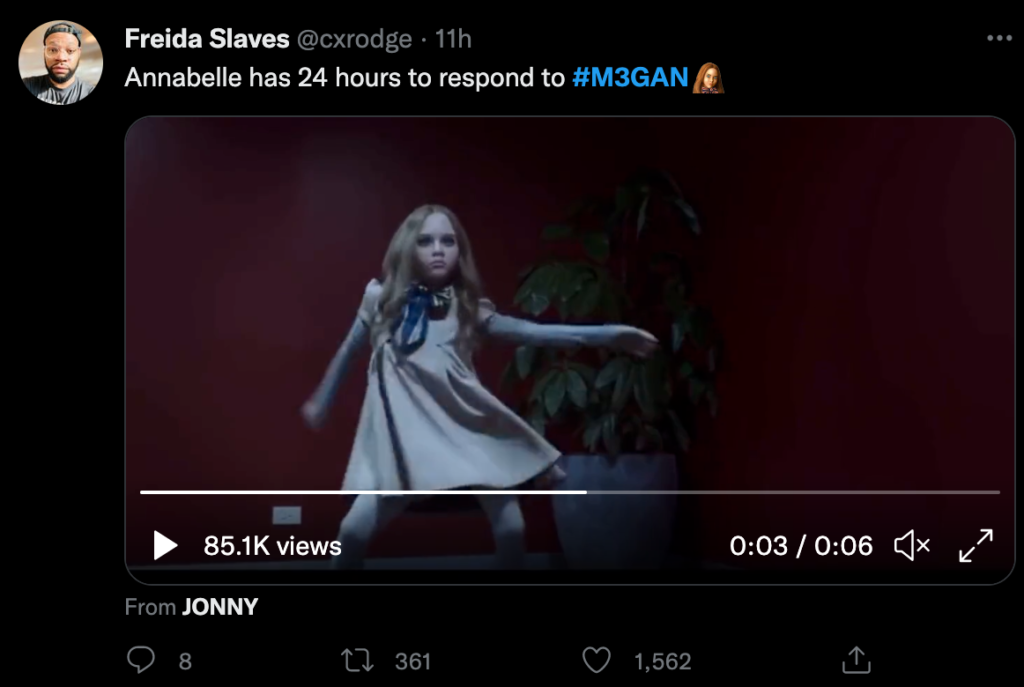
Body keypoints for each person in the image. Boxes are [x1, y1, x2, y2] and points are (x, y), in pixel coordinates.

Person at [301, 204, 659, 569]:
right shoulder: (380, 300)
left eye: (448, 241)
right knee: (353, 532)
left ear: (460, 251)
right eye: (425, 241)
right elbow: (349, 349)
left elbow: (533, 332)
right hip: (403, 444)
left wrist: (609, 335)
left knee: (511, 528)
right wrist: (322, 399)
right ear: (407, 247)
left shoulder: (468, 308)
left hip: (466, 434)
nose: (438, 250)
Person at [23, 22, 95, 104]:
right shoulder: (28, 85)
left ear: (79, 53)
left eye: (70, 50)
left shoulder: (88, 92)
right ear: (44, 52)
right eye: (53, 50)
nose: (61, 58)